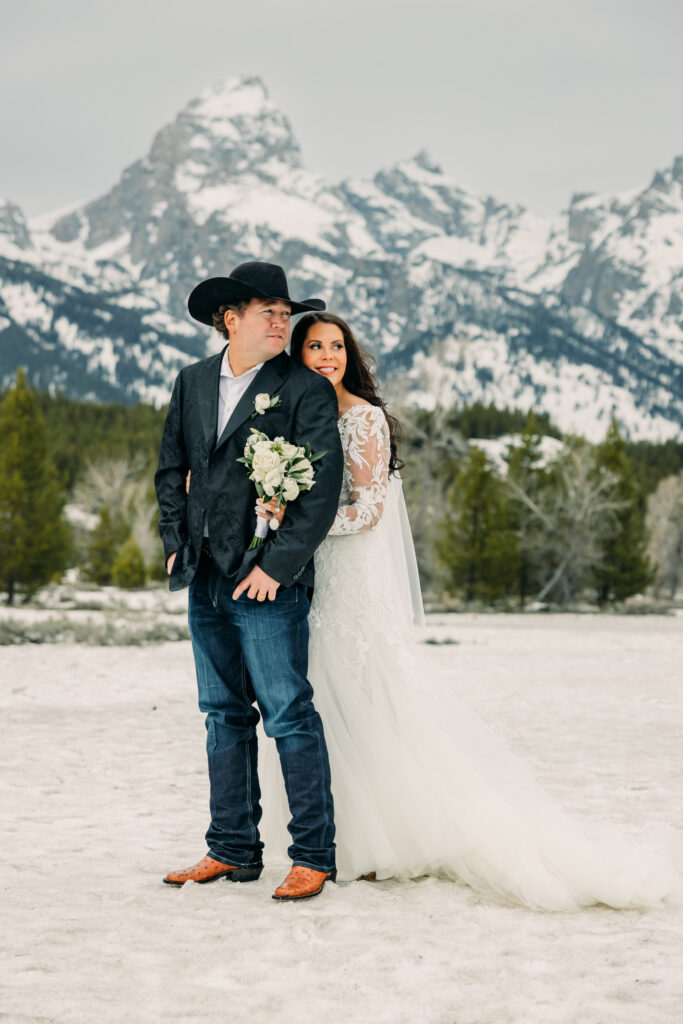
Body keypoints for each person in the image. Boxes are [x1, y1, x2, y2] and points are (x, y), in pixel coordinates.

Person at [255, 311, 682, 910]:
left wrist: (295, 524)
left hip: (354, 586)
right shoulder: (302, 418)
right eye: (314, 346)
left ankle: (382, 842)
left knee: (370, 702)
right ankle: (338, 837)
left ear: (350, 355)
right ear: (295, 356)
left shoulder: (364, 419)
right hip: (319, 584)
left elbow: (369, 511)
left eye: (336, 346)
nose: (327, 356)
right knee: (326, 704)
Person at [154, 262, 344, 901]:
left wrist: (275, 567)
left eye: (286, 313)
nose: (282, 323)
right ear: (229, 319)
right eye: (269, 312)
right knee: (222, 715)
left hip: (268, 581)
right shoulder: (191, 382)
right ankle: (232, 849)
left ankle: (314, 855)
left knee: (289, 715)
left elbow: (319, 495)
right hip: (205, 578)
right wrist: (176, 544)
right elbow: (171, 469)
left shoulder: (303, 389)